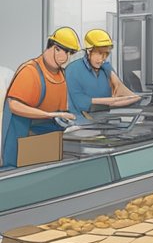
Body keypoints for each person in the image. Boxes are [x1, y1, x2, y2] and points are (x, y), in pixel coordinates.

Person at [2, 28, 78, 169]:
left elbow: (61, 109)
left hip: (46, 146)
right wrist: (50, 115)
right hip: (19, 150)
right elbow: (14, 105)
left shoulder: (61, 75)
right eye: (67, 52)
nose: (68, 57)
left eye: (71, 54)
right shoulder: (30, 72)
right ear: (55, 48)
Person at [65, 29, 140, 123]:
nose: (103, 58)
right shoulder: (73, 70)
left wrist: (111, 74)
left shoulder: (106, 69)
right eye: (100, 53)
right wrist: (113, 101)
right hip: (81, 126)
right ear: (89, 51)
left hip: (105, 122)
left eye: (106, 54)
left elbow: (127, 95)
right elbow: (81, 103)